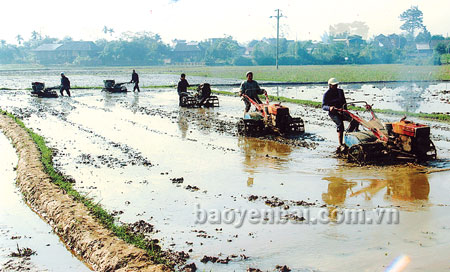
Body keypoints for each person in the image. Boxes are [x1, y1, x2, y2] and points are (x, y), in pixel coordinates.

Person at [322, 78, 359, 147]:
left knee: (355, 120)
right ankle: (341, 144)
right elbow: (323, 106)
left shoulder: (340, 91)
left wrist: (346, 111)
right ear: (330, 85)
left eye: (336, 85)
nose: (335, 86)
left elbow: (344, 102)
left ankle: (350, 135)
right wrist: (329, 108)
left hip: (342, 111)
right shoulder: (327, 94)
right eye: (334, 85)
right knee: (340, 125)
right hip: (334, 113)